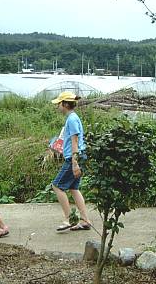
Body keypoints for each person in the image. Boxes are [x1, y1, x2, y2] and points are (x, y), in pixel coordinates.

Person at [51, 91, 91, 232]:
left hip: (75, 158)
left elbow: (75, 140)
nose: (58, 107)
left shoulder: (72, 119)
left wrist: (74, 162)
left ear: (65, 104)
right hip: (78, 156)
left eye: (59, 104)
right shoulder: (72, 118)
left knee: (57, 186)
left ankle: (68, 219)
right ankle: (85, 220)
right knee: (74, 188)